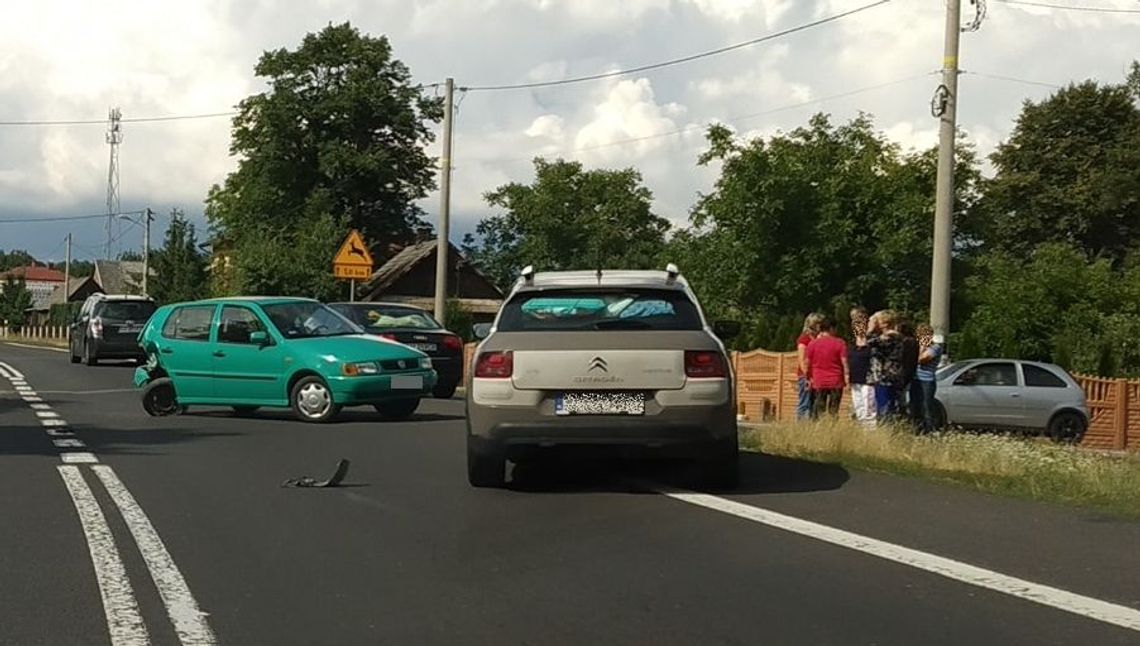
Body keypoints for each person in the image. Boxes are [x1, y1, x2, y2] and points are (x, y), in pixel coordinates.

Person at [866, 310, 907, 423]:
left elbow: (865, 343)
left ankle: (886, 433)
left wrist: (870, 329)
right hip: (890, 376)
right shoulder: (893, 336)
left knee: (884, 409)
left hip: (885, 377)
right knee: (889, 407)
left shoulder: (889, 337)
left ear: (884, 323)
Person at [804, 317, 848, 418]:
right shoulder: (840, 343)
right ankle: (832, 429)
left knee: (819, 409)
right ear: (832, 328)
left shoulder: (813, 344)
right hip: (836, 381)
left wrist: (808, 378)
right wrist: (847, 376)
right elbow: (844, 362)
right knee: (834, 410)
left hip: (819, 381)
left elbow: (807, 363)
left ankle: (820, 430)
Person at [910, 325, 944, 434]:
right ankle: (917, 429)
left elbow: (921, 360)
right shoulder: (915, 346)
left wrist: (922, 348)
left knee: (926, 406)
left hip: (927, 381)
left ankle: (930, 430)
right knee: (915, 405)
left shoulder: (935, 348)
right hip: (916, 379)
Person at [848, 307, 876, 426]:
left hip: (868, 379)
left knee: (868, 408)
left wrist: (869, 332)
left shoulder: (873, 340)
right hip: (855, 379)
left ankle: (870, 432)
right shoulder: (853, 342)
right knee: (858, 407)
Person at [795, 313, 824, 420]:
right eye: (818, 324)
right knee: (804, 403)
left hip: (817, 375)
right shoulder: (804, 339)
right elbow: (802, 360)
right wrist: (807, 376)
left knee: (814, 404)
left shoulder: (818, 338)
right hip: (806, 376)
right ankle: (801, 427)